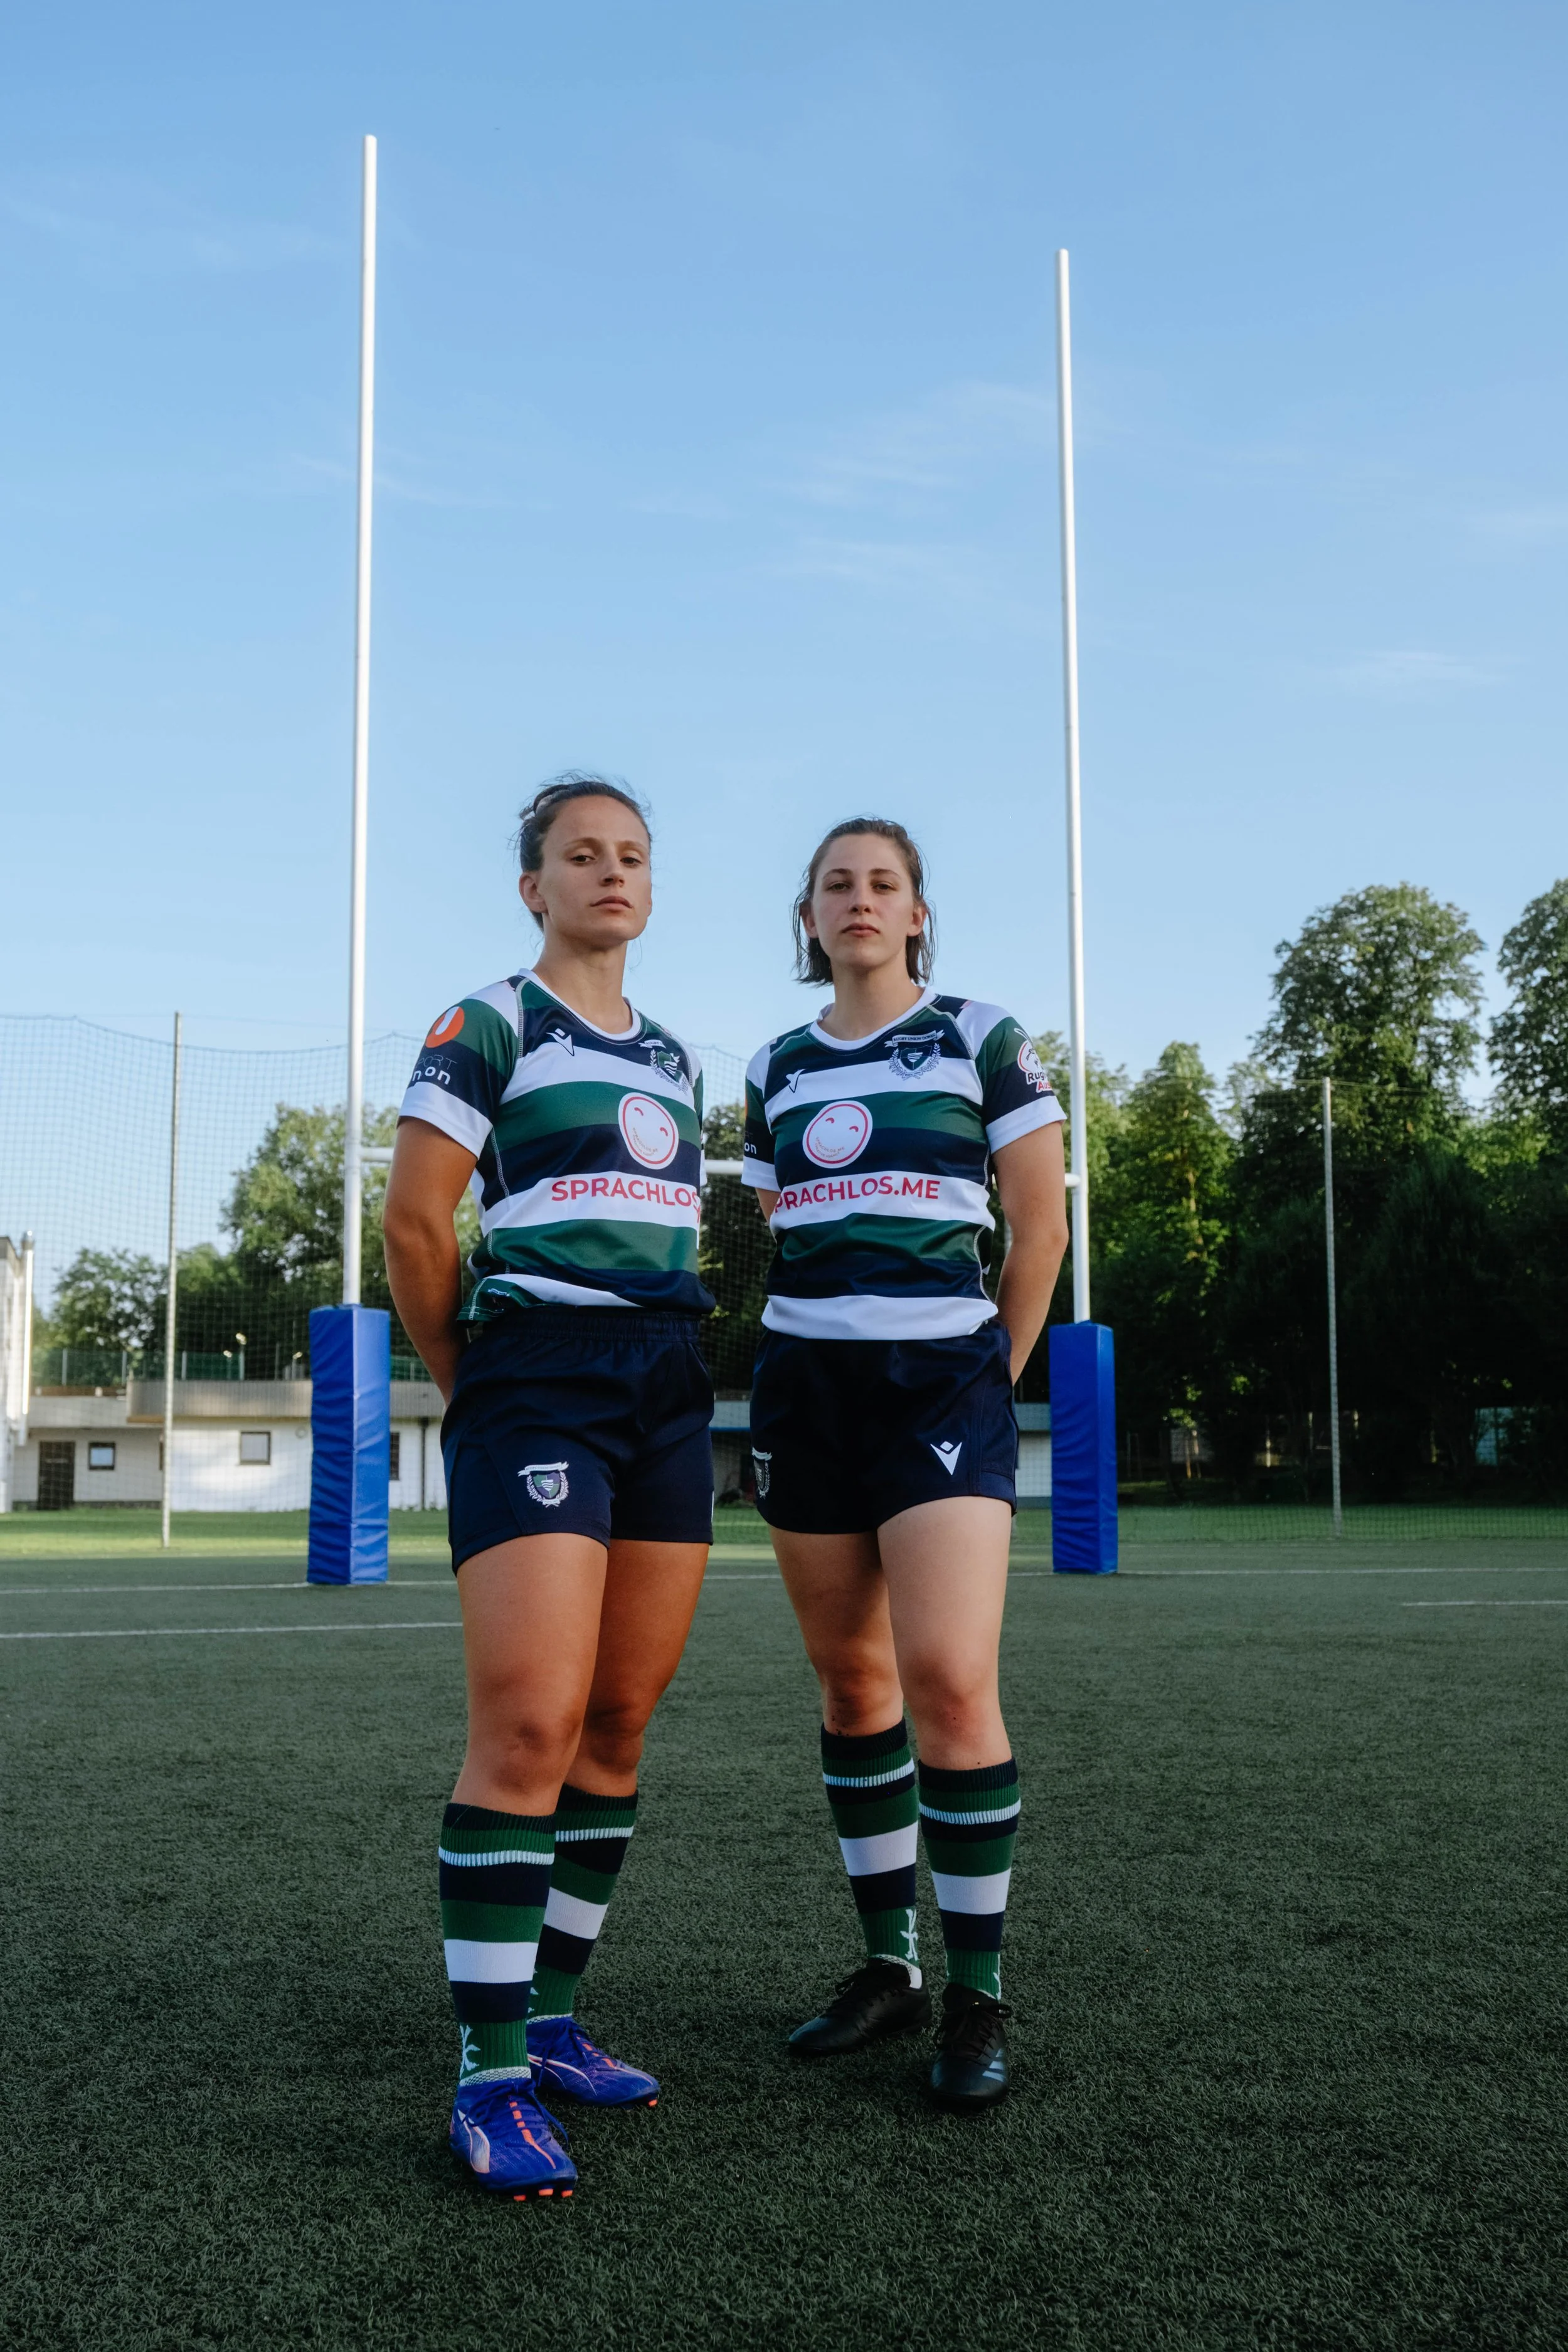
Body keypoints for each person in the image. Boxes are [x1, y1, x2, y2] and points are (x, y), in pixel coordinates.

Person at [383, 774, 715, 2202]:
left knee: (617, 1721)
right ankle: (489, 2074)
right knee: (527, 1721)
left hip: (664, 1381)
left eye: (630, 855)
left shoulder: (683, 1063)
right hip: (533, 1374)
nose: (609, 873)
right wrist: (471, 1371)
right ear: (533, 886)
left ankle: (558, 2016)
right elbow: (414, 1216)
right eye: (580, 855)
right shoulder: (488, 1022)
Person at [742, 817, 1069, 2112]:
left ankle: (978, 1992)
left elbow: (1035, 1225)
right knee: (849, 1680)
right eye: (837, 886)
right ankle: (890, 1968)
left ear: (918, 913)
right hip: (802, 1383)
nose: (860, 901)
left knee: (945, 1677)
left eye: (883, 884)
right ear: (808, 918)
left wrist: (991, 1370)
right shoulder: (773, 1065)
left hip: (941, 1379)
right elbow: (781, 1227)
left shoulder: (982, 1037)